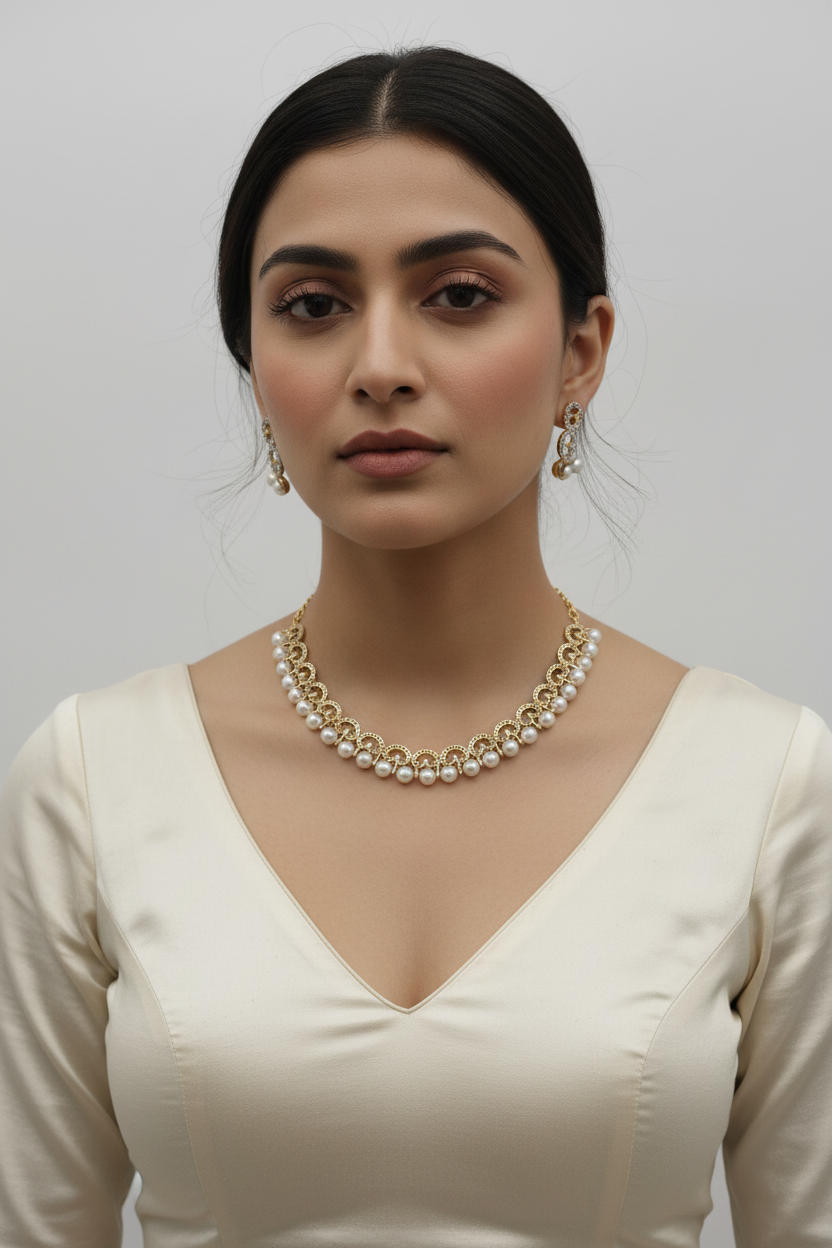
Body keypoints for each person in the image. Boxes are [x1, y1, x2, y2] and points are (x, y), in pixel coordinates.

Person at [1, 45, 830, 1248]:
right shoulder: (91, 777)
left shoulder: (766, 785)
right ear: (255, 364)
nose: (380, 368)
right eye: (313, 306)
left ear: (582, 353)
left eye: (458, 296)